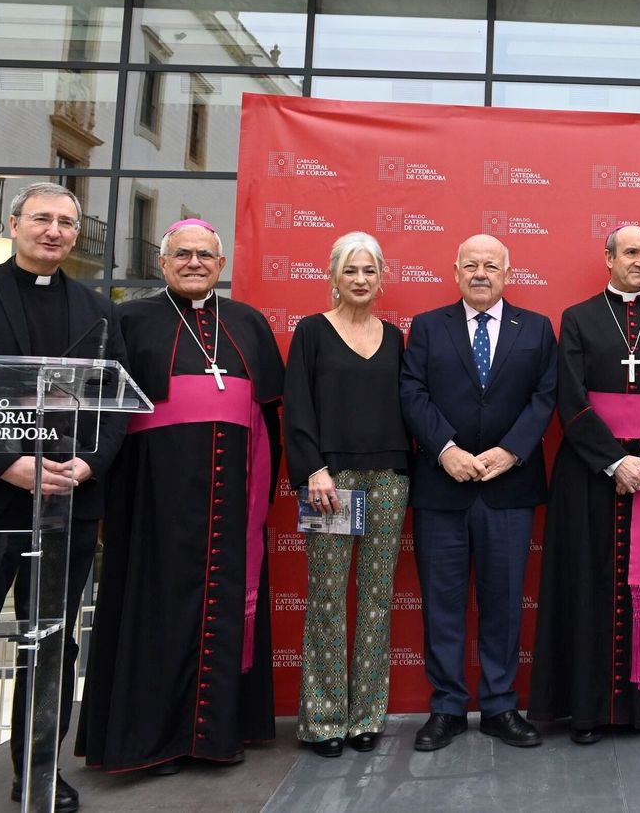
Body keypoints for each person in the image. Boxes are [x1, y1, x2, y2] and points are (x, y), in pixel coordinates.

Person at [0, 181, 126, 813]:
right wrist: (9, 465)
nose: (55, 231)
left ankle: (36, 773)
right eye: (42, 219)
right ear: (14, 224)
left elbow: (115, 406)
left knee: (52, 647)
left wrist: (87, 465)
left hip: (67, 506)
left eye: (67, 222)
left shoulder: (99, 310)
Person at [77, 219, 284, 774]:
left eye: (206, 256)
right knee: (156, 614)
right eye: (183, 255)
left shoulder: (247, 322)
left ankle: (217, 737)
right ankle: (155, 742)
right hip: (153, 504)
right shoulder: (129, 319)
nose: (195, 263)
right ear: (163, 263)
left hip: (230, 504)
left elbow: (267, 420)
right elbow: (104, 413)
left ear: (221, 265)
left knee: (221, 610)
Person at [528, 225, 640, 743]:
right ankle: (588, 711)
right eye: (630, 252)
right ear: (608, 258)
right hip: (590, 471)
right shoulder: (579, 318)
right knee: (588, 583)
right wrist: (614, 462)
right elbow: (570, 399)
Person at [400, 233, 557, 751]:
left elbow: (545, 396)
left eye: (492, 265)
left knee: (504, 602)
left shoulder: (535, 328)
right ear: (456, 271)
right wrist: (445, 449)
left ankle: (499, 705)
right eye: (472, 265)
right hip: (442, 487)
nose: (481, 273)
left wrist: (510, 451)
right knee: (442, 604)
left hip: (508, 488)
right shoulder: (426, 327)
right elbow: (412, 392)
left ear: (507, 272)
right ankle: (446, 706)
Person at [284, 232, 411, 757]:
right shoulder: (311, 333)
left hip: (389, 479)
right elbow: (296, 406)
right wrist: (313, 469)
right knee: (329, 597)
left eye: (370, 271)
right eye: (351, 270)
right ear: (333, 276)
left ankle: (365, 718)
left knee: (377, 599)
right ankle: (324, 720)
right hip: (330, 483)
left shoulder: (397, 337)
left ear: (382, 278)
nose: (360, 280)